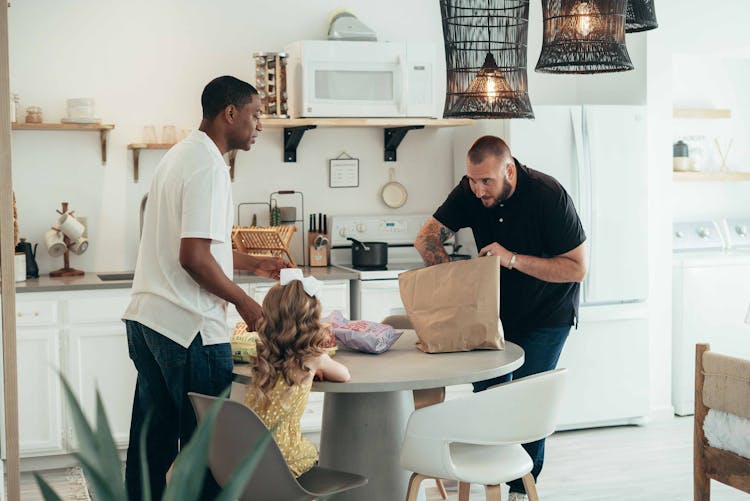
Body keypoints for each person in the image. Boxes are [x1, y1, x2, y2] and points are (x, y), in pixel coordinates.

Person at [122, 75, 289, 500]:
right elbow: (193, 259)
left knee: (151, 449)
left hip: (149, 322)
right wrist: (246, 303)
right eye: (255, 115)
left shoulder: (181, 155)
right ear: (229, 113)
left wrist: (252, 262)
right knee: (210, 457)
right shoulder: (209, 166)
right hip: (189, 330)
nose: (260, 126)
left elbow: (196, 245)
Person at [415, 135, 587, 501]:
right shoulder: (470, 190)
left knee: (527, 402)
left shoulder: (548, 195)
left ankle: (519, 491)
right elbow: (427, 237)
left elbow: (577, 269)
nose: (478, 191)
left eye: (486, 181)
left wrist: (511, 258)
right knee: (489, 397)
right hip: (492, 315)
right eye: (473, 181)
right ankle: (488, 476)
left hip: (546, 314)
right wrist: (455, 282)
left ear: (509, 170)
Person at [244, 268, 351, 476]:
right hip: (286, 461)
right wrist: (320, 367)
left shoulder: (265, 358)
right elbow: (344, 375)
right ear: (311, 319)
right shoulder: (313, 358)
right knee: (321, 455)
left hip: (248, 461)